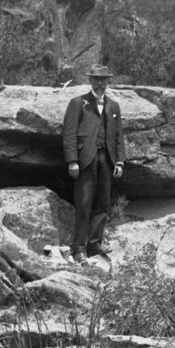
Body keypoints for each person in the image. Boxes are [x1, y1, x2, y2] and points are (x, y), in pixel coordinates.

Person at [61, 62, 125, 260]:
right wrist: (72, 160)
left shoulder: (113, 106)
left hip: (107, 159)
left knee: (103, 203)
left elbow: (118, 136)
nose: (100, 84)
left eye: (103, 81)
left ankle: (95, 245)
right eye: (96, 80)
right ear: (90, 80)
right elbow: (69, 134)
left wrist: (120, 161)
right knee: (84, 202)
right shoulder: (78, 103)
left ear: (108, 82)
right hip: (85, 159)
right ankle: (79, 248)